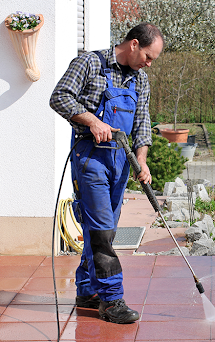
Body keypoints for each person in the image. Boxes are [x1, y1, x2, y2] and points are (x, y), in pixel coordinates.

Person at [50, 23, 164, 324]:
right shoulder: (90, 63)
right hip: (91, 158)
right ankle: (112, 300)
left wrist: (142, 161)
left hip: (121, 161)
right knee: (102, 230)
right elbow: (59, 96)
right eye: (149, 56)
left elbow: (141, 124)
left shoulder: (141, 80)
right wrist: (92, 121)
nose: (149, 64)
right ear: (134, 44)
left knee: (102, 229)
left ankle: (87, 290)